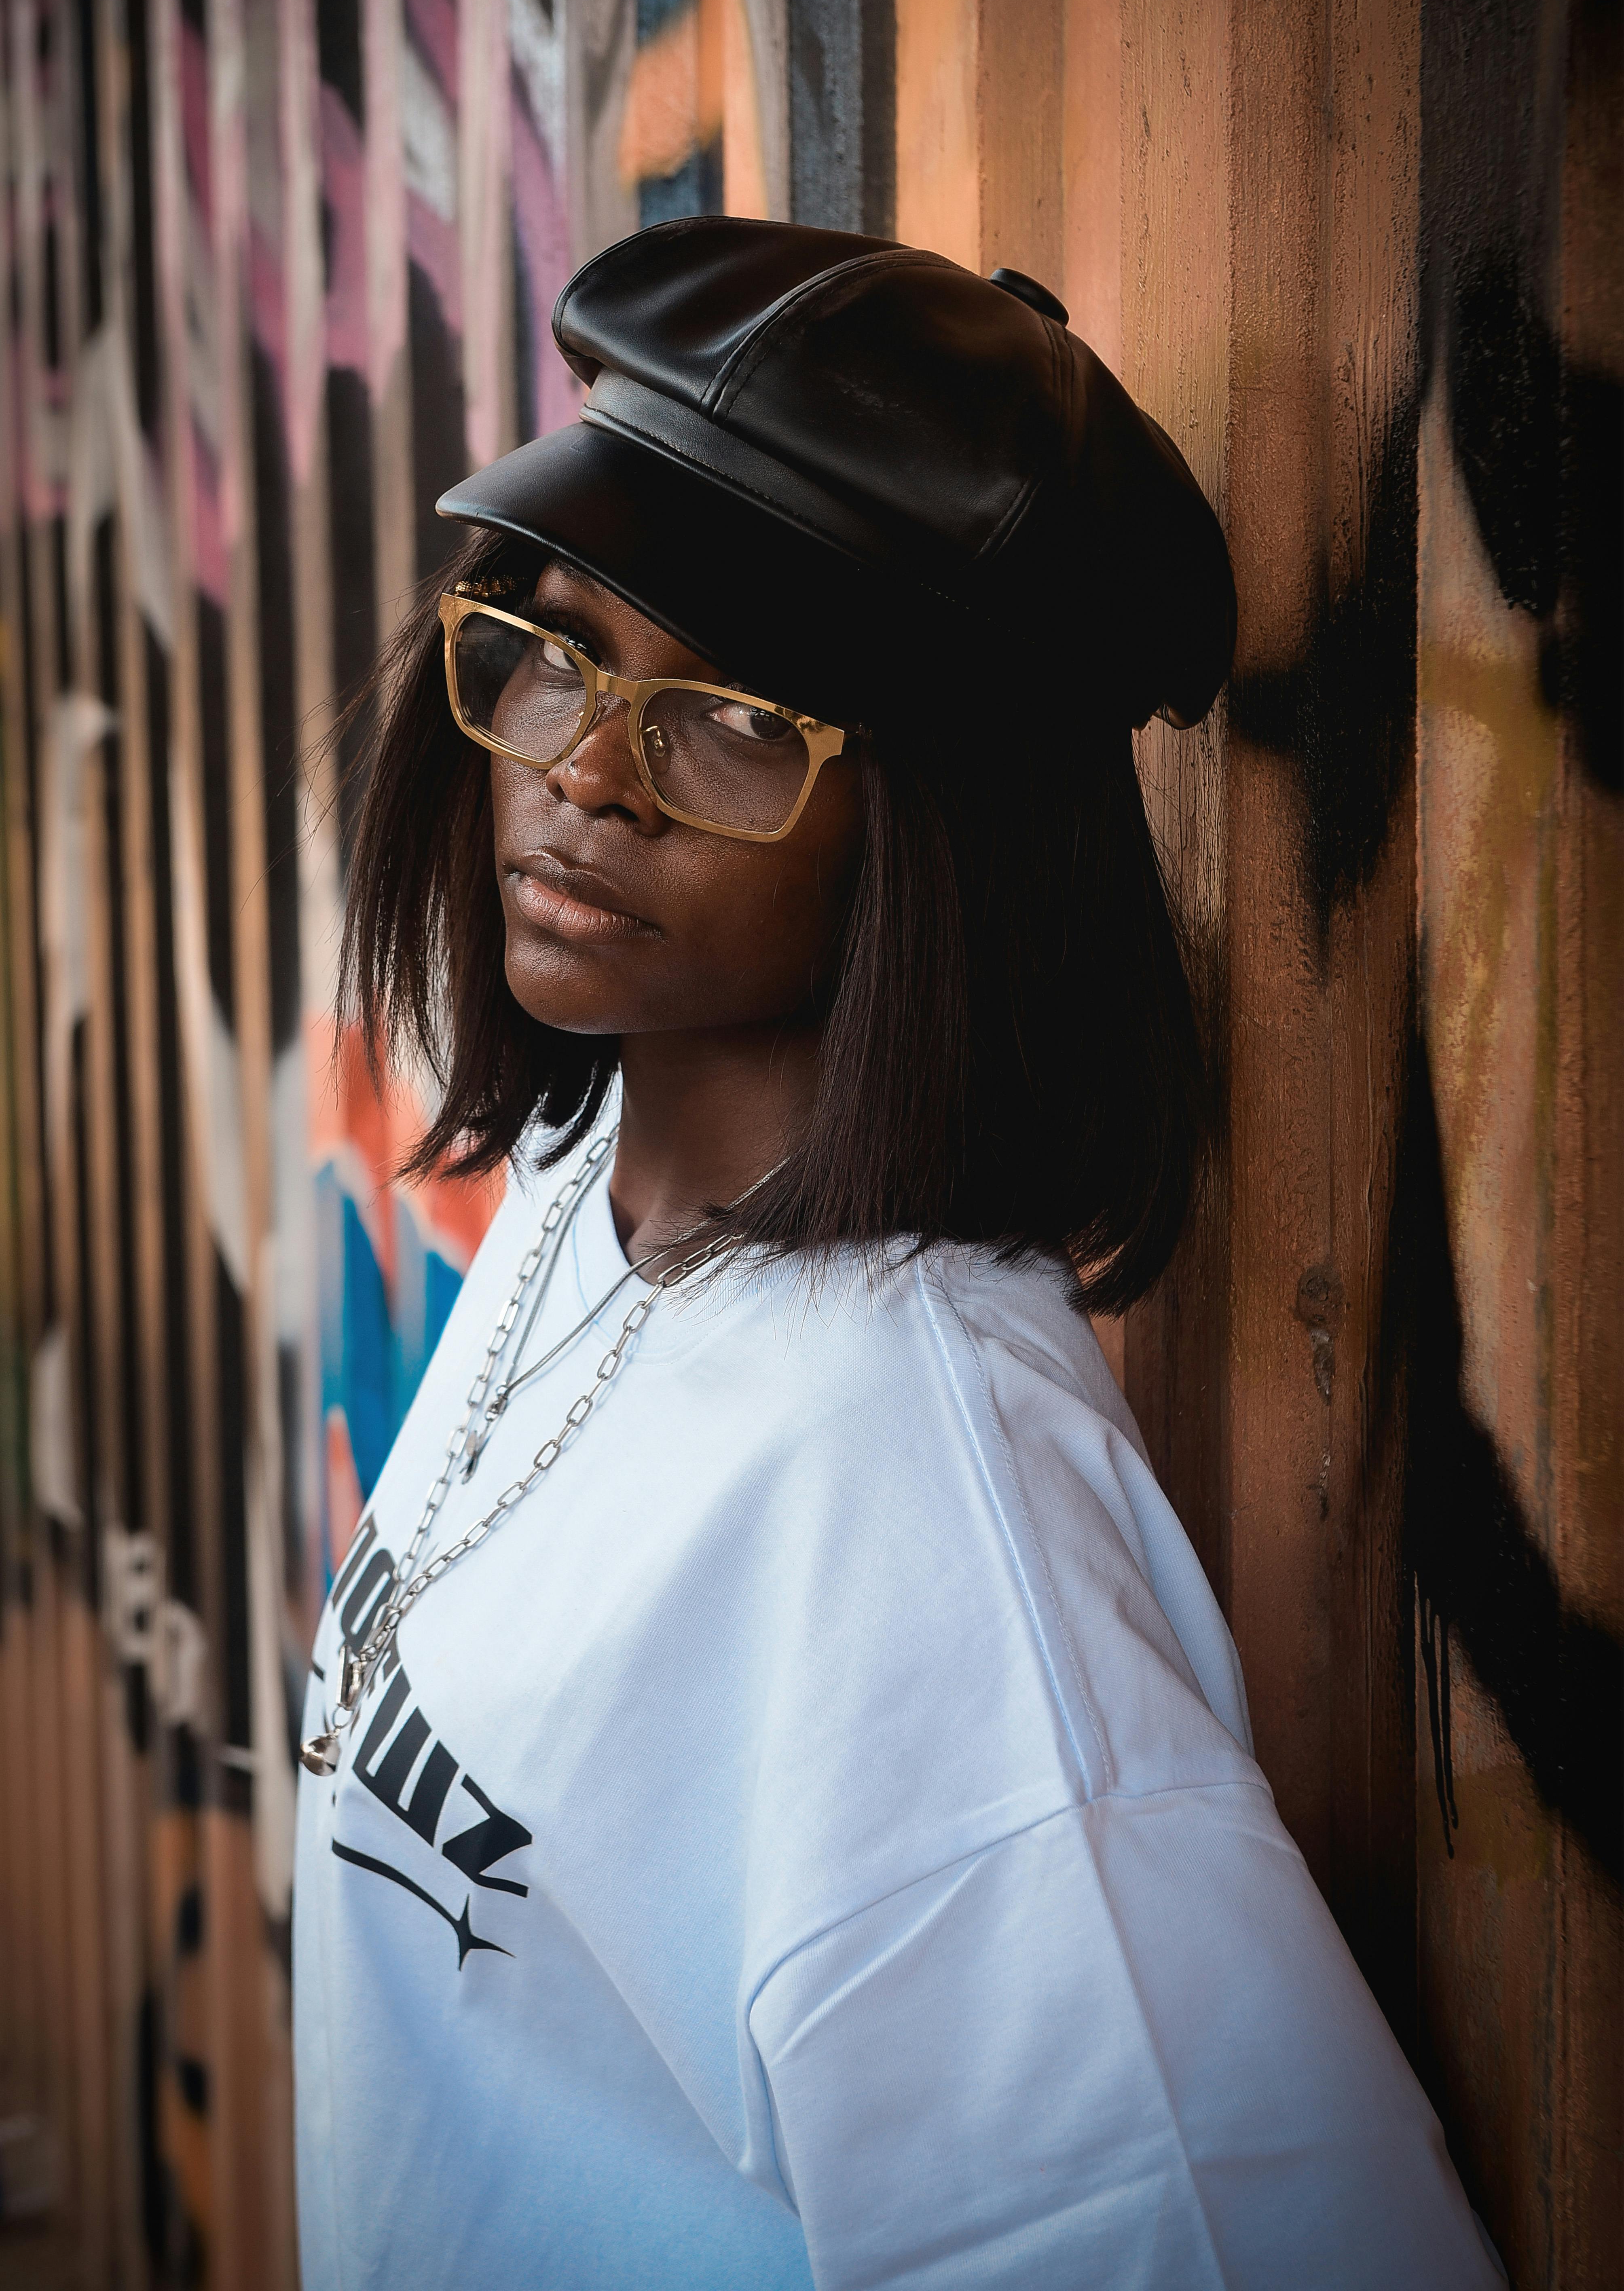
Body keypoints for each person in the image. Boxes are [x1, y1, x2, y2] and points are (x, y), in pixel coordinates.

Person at [293, 219, 1501, 2289]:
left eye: (728, 719)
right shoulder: (601, 1174)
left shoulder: (929, 1518)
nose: (584, 770)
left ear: (940, 835)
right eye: (557, 645)